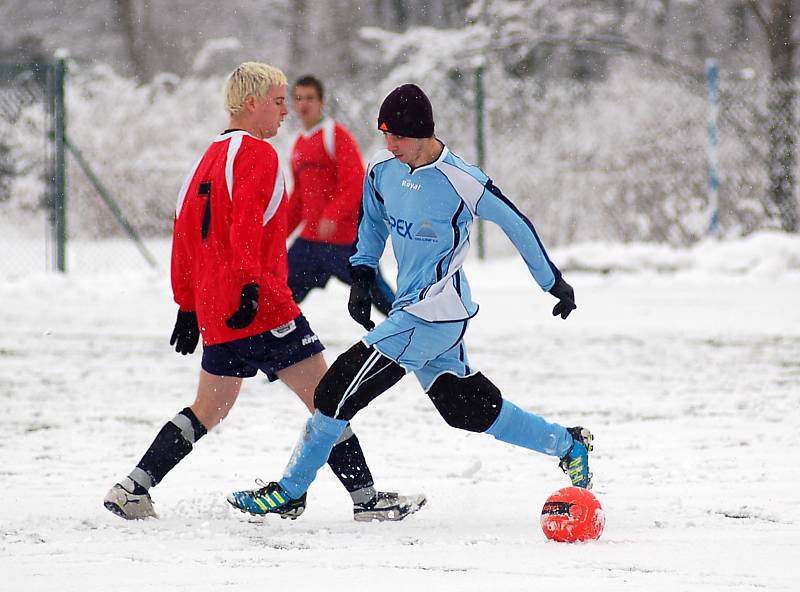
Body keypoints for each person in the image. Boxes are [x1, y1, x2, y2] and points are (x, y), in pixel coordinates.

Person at [226, 83, 593, 519]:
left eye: (396, 136)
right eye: (384, 135)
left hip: (434, 314)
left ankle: (289, 491)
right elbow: (373, 224)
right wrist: (362, 274)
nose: (389, 144)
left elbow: (516, 223)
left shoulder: (461, 179)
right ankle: (568, 443)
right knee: (467, 410)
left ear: (421, 132)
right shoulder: (384, 172)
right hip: (412, 312)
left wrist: (551, 281)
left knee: (335, 390)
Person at [103, 64, 425, 523]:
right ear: (251, 103)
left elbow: (185, 231)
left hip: (217, 306)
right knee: (328, 396)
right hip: (259, 304)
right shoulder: (259, 153)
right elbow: (246, 229)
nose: (285, 112)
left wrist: (188, 303)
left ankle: (133, 487)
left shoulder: (207, 156)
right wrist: (252, 287)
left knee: (209, 408)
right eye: (278, 102)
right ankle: (367, 499)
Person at [287, 75, 394, 315]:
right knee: (280, 294)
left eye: (310, 98)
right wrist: (275, 232)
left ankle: (415, 334)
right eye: (299, 98)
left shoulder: (336, 135)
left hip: (345, 241)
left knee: (377, 293)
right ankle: (270, 346)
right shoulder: (298, 145)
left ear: (322, 102)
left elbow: (355, 183)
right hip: (311, 243)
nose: (304, 104)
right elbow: (299, 198)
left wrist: (333, 215)